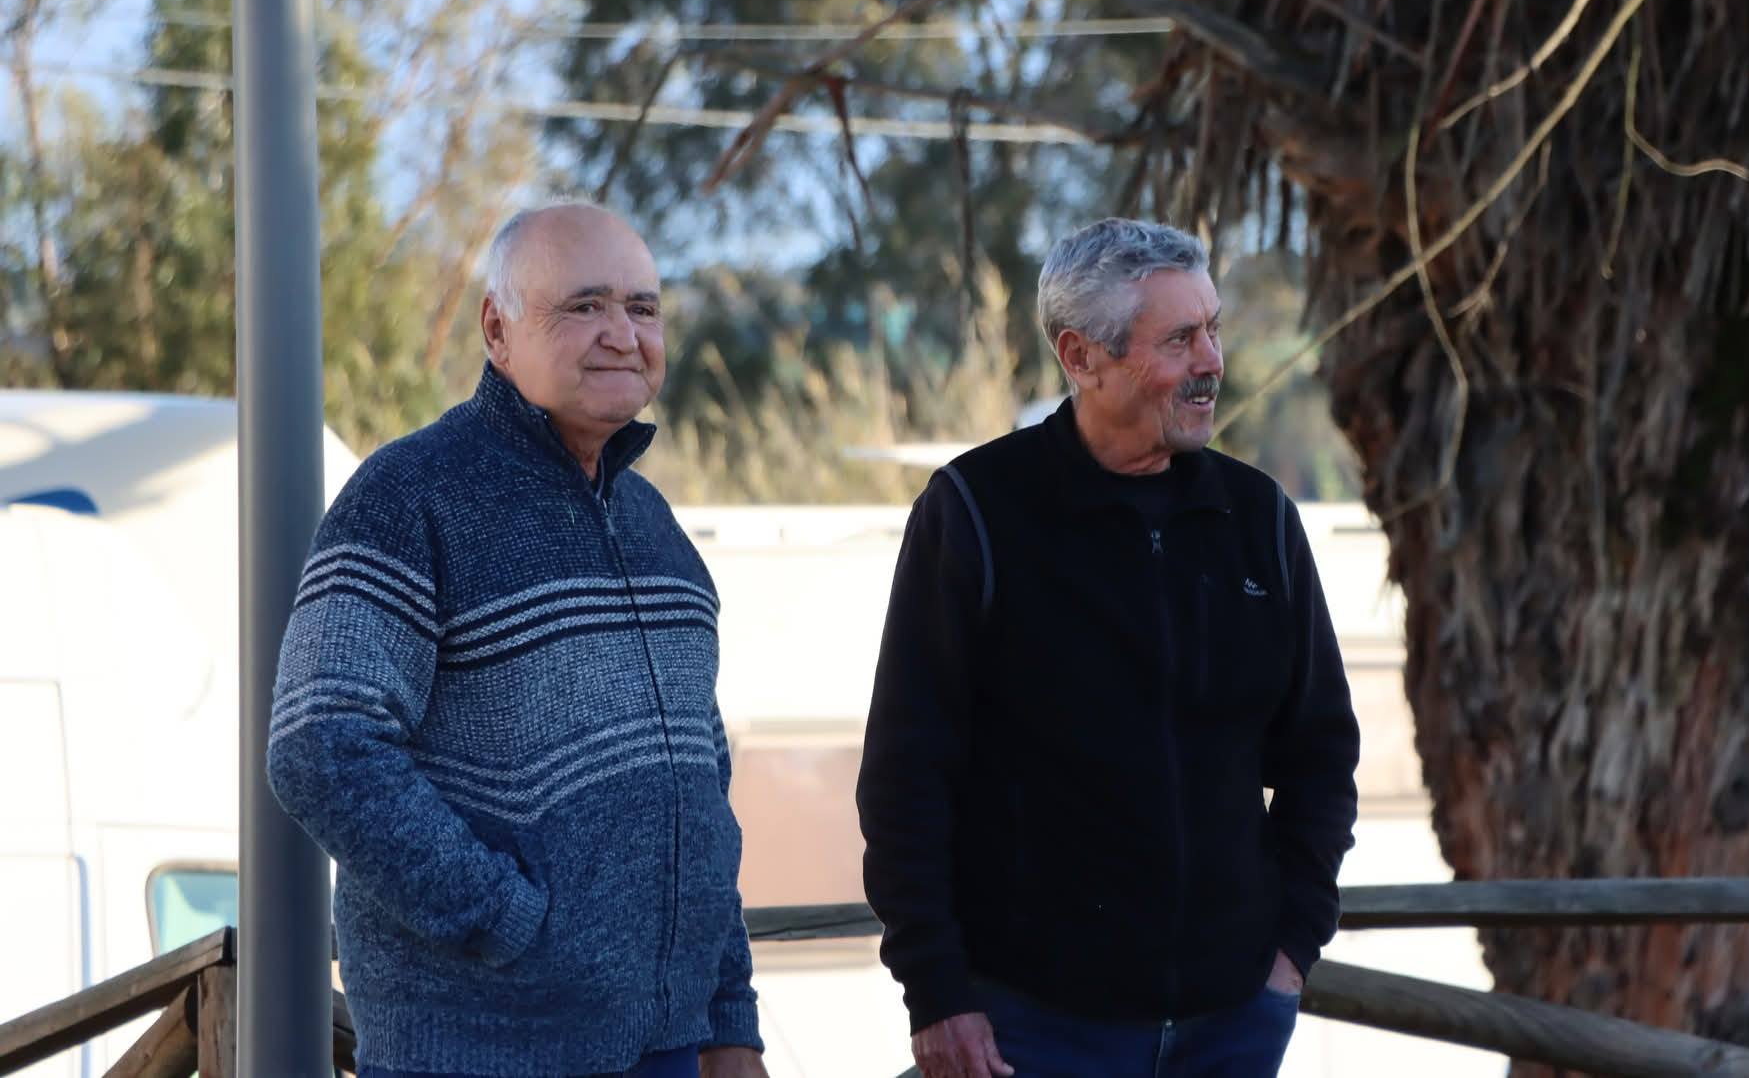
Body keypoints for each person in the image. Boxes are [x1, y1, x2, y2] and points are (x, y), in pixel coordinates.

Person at [267, 202, 769, 1078]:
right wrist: (510, 921)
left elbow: (699, 789)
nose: (623, 334)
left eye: (642, 308)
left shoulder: (655, 526)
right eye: (584, 306)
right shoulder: (409, 495)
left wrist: (729, 1018)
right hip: (477, 1054)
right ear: (497, 330)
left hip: (668, 1050)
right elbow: (321, 745)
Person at [857, 218, 1361, 1078]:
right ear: (1081, 356)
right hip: (1032, 1026)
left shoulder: (1261, 519)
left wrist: (1290, 952)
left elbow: (1322, 752)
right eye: (1179, 338)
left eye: (1213, 328)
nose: (1212, 360)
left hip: (1232, 1025)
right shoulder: (976, 512)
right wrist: (936, 989)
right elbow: (906, 777)